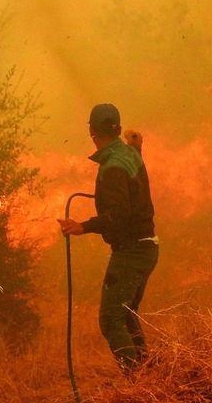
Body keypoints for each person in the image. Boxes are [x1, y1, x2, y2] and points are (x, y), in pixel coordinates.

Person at [58, 103, 158, 372]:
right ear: (118, 128)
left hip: (131, 252)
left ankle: (138, 379)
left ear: (92, 132)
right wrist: (137, 147)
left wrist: (82, 226)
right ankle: (149, 376)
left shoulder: (112, 167)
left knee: (111, 319)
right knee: (125, 314)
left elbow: (118, 215)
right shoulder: (129, 153)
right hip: (147, 248)